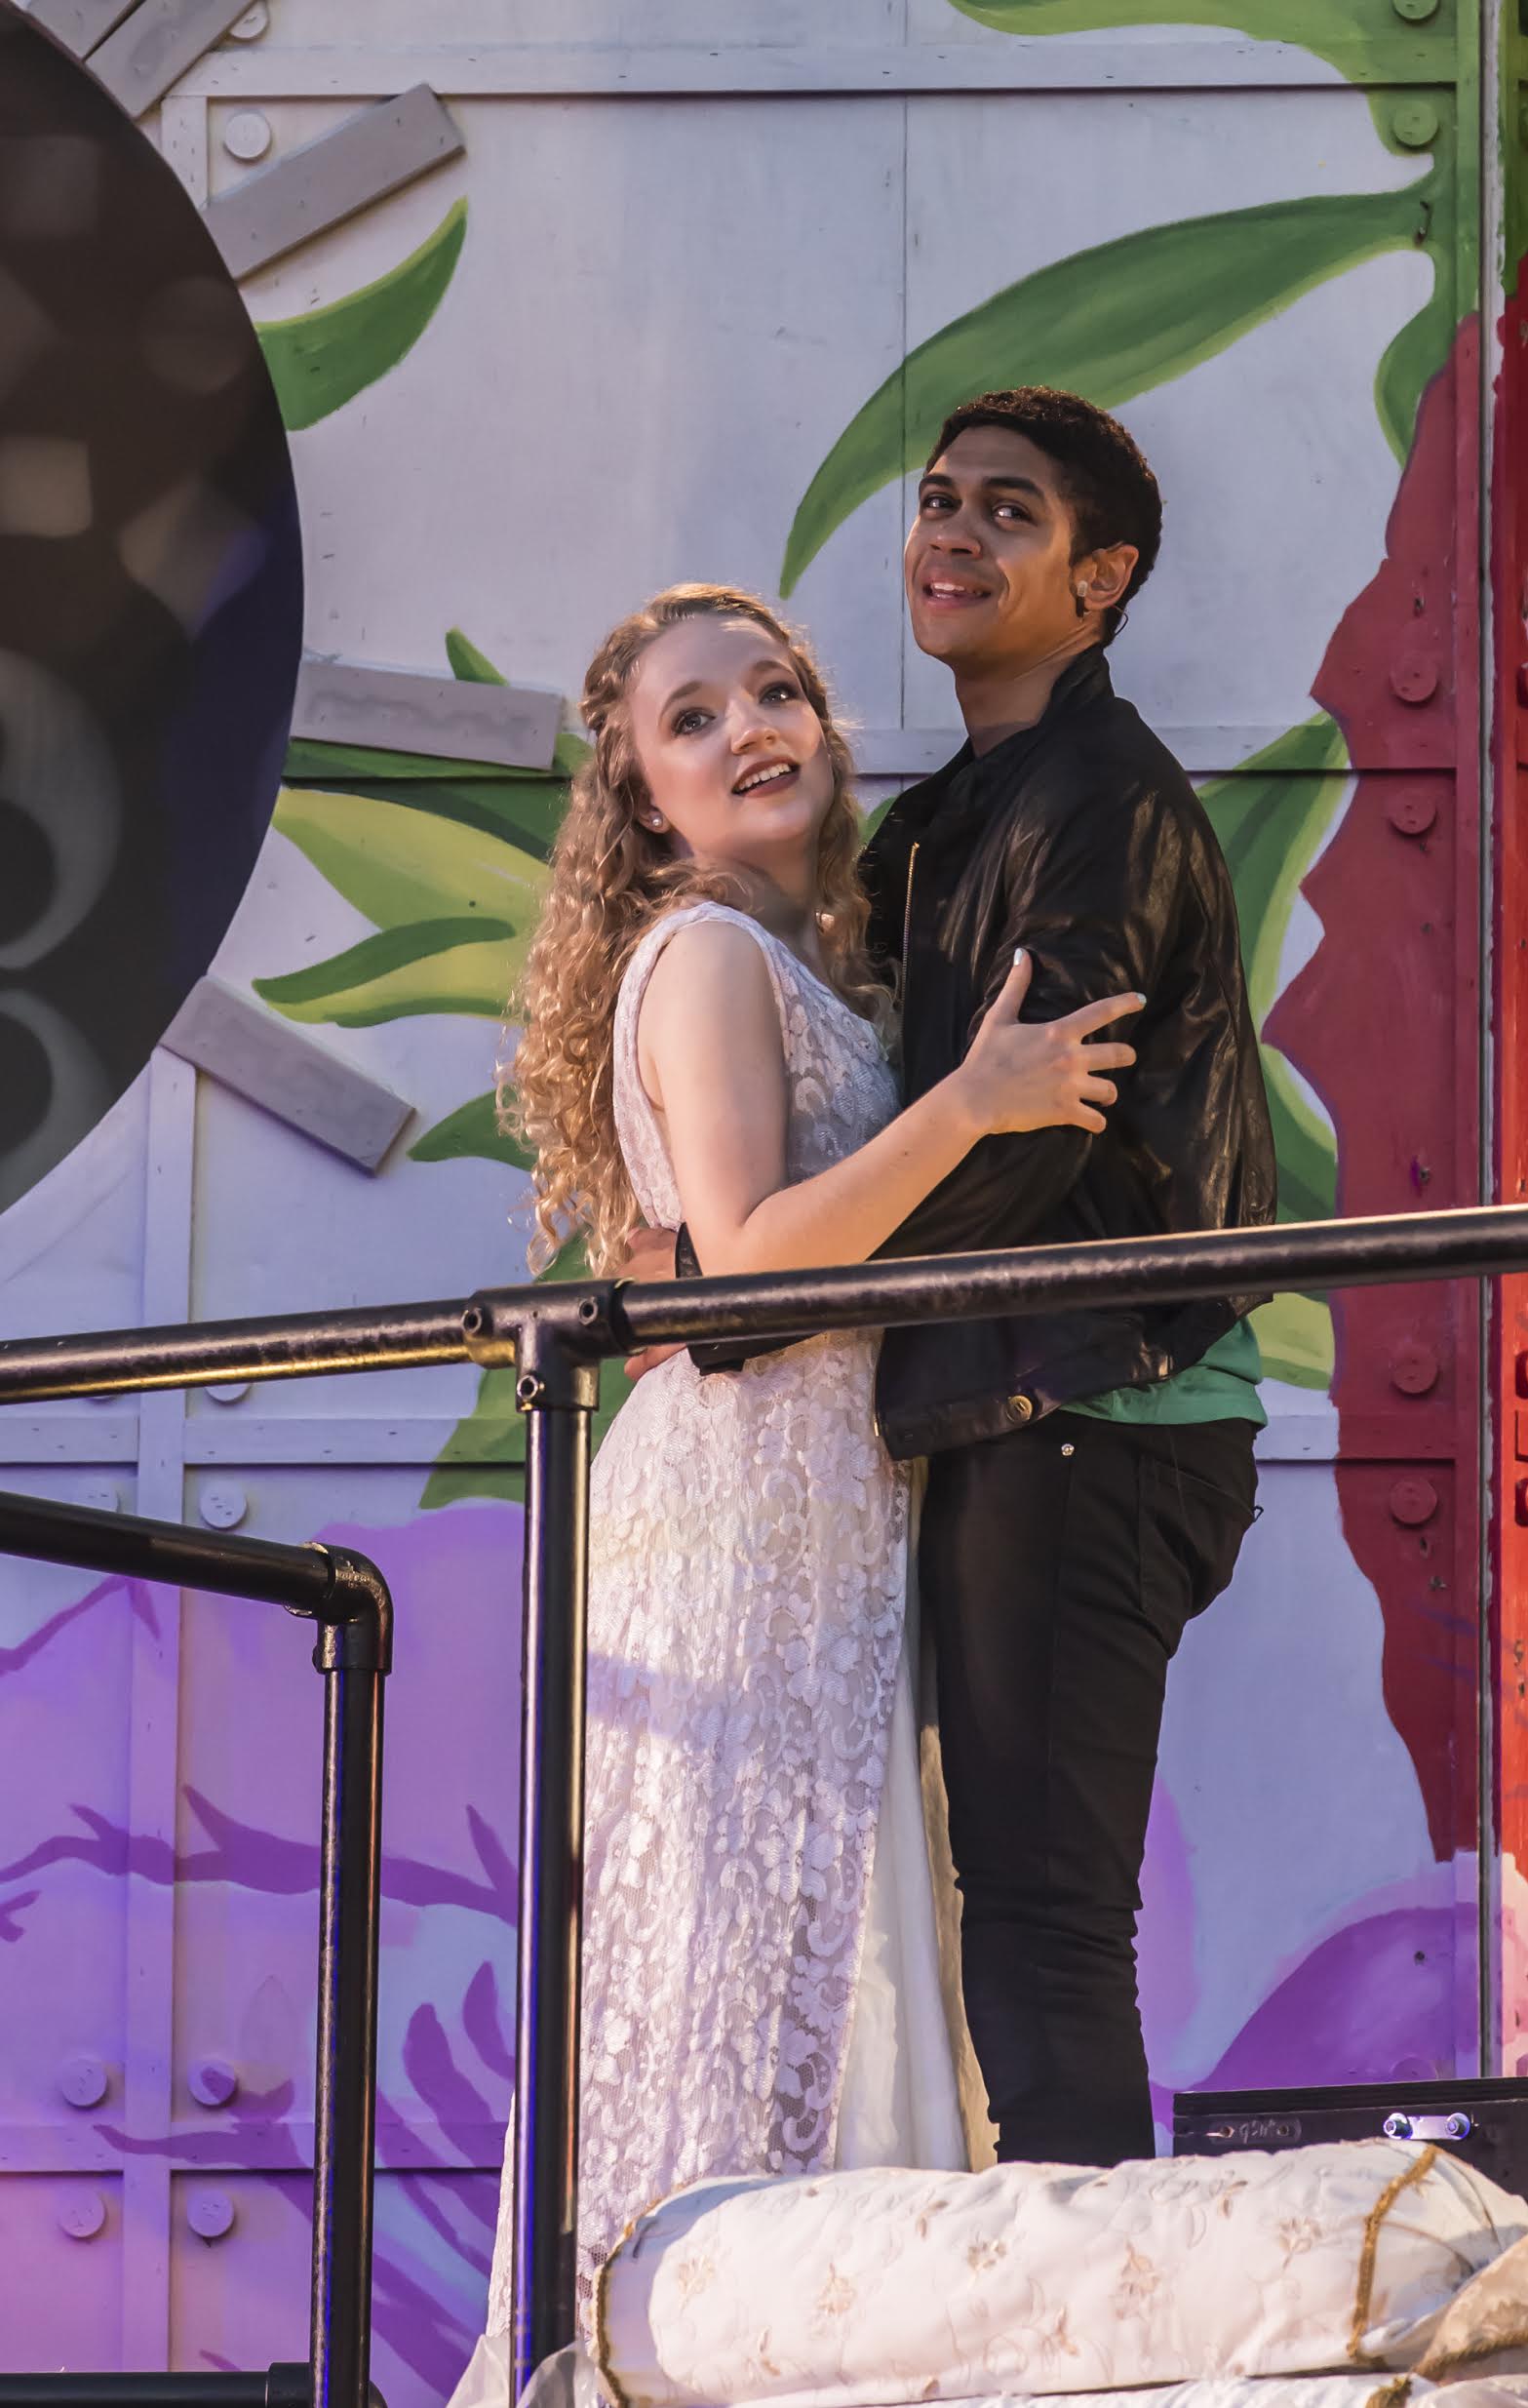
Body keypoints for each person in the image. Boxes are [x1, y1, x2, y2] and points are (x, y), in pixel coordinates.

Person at [451, 581, 1142, 2400]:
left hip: (831, 1512)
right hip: (735, 1520)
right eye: (691, 718)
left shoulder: (816, 965)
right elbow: (743, 1267)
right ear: (643, 800)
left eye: (773, 691)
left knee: (833, 1940)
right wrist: (975, 1106)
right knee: (724, 1956)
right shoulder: (700, 957)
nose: (748, 725)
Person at [671, 388, 1276, 2173]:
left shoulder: (1097, 800)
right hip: (1019, 1398)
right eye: (937, 501)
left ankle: (1085, 2328)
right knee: (996, 1918)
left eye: (1007, 515)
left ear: (1100, 581)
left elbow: (1024, 1139)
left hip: (1096, 1398)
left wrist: (753, 1296)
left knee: (1037, 1920)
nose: (949, 533)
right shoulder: (952, 817)